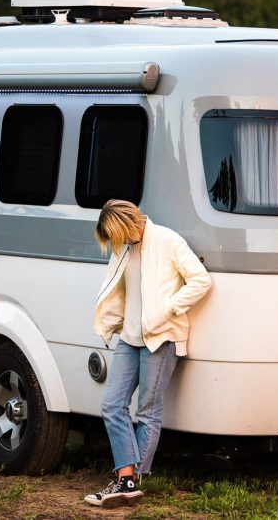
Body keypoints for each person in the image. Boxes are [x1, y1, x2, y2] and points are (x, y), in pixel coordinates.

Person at [84, 199, 212, 508]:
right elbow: (119, 289)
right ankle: (128, 482)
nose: (119, 244)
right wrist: (111, 322)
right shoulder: (124, 247)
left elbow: (201, 280)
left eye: (119, 236)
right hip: (129, 338)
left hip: (162, 337)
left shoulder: (168, 240)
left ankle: (127, 480)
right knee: (112, 405)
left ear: (130, 223)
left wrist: (168, 309)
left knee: (147, 412)